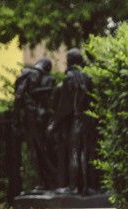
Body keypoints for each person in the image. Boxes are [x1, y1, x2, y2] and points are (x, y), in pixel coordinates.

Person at [48, 48, 97, 195]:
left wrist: (53, 124)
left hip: (76, 120)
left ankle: (73, 187)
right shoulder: (87, 77)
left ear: (70, 60)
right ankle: (88, 186)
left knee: (74, 153)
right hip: (88, 120)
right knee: (87, 153)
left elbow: (64, 106)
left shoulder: (69, 77)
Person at [13, 58, 56, 191]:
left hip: (32, 116)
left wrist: (16, 118)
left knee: (37, 149)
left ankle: (44, 182)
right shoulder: (48, 78)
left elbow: (19, 96)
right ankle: (49, 181)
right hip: (43, 115)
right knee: (43, 148)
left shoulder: (29, 75)